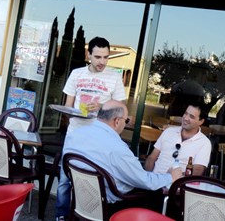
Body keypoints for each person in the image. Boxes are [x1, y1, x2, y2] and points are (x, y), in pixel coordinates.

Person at [63, 100, 182, 216]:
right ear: (117, 121)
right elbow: (144, 181)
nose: (126, 124)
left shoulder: (76, 134)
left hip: (81, 200)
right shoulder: (117, 148)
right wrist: (171, 176)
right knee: (156, 194)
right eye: (127, 120)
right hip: (109, 206)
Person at [56, 36, 127, 220]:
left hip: (100, 136)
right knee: (65, 178)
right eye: (97, 57)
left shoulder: (114, 77)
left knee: (95, 178)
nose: (102, 62)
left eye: (105, 57)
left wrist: (102, 108)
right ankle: (61, 216)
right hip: (76, 134)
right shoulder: (77, 74)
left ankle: (88, 214)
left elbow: (120, 111)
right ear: (89, 55)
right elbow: (68, 107)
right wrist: (77, 112)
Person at [144, 103, 212, 176]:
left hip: (178, 185)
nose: (186, 118)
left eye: (191, 117)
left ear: (201, 121)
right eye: (186, 113)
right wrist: (148, 180)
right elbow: (151, 158)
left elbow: (197, 171)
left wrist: (174, 178)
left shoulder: (204, 143)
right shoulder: (168, 132)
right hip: (155, 181)